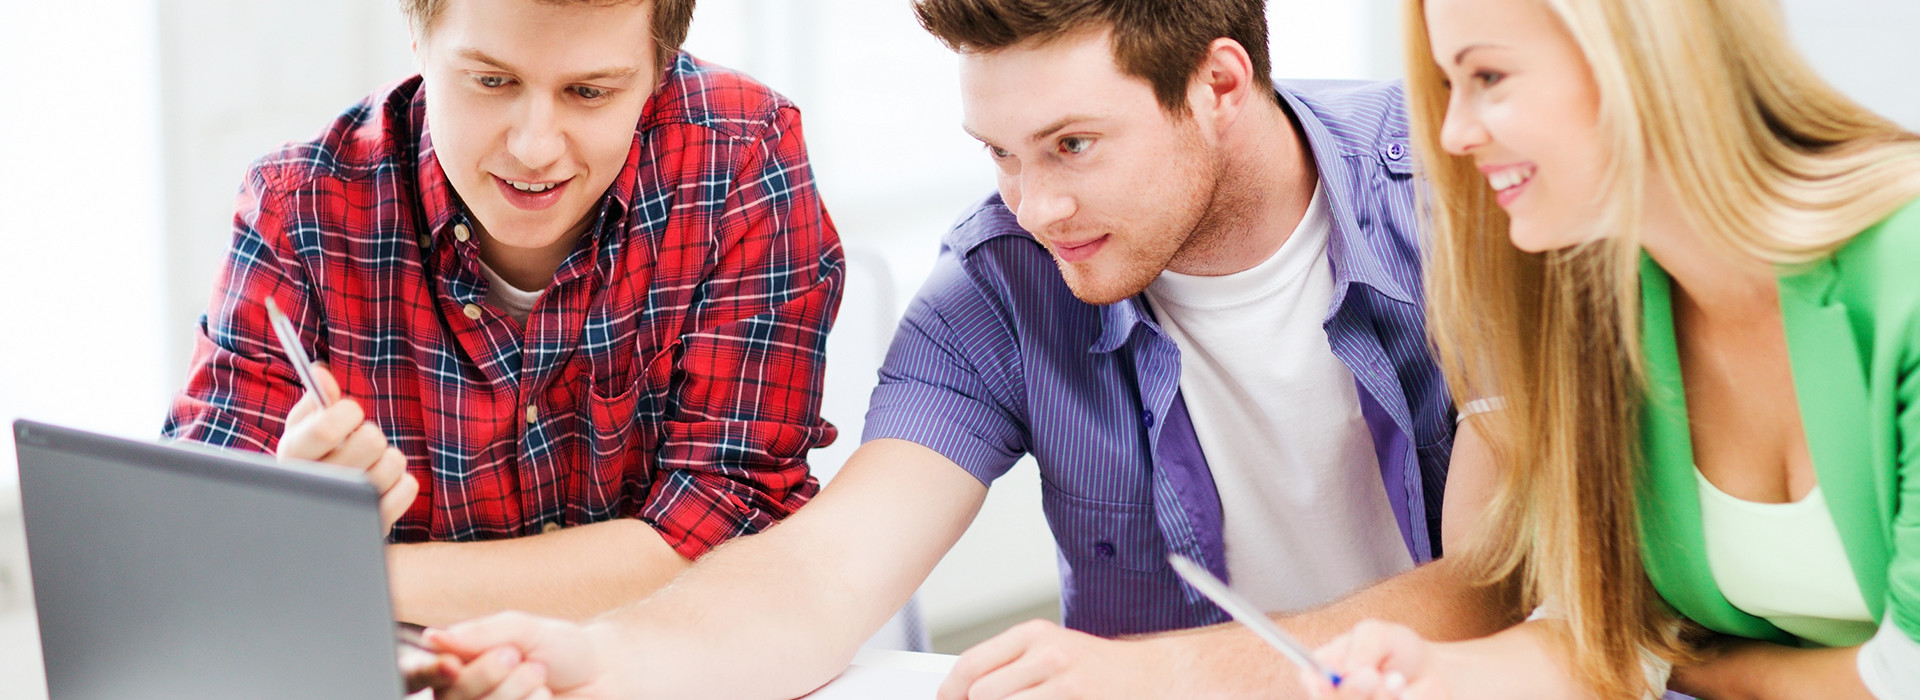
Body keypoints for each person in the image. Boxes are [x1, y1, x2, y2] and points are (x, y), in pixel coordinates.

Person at [423, 1, 1517, 698]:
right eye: (999, 151)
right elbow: (825, 567)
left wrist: (1165, 677)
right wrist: (611, 660)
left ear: (1219, 86)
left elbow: (1504, 584)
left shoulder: (1464, 198)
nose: (1035, 202)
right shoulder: (1001, 285)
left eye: (1073, 145)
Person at [1303, 0, 1920, 698]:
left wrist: (1704, 669)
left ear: (1640, 53)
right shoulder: (1600, 307)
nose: (1452, 134)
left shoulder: (1907, 269)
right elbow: (1602, 634)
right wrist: (1438, 672)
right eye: (1449, 86)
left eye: (1490, 77)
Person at [162, 0, 844, 628]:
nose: (534, 148)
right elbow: (196, 554)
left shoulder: (739, 155)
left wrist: (340, 571)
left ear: (660, 73)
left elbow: (730, 529)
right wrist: (285, 518)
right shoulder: (301, 210)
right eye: (491, 82)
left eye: (590, 92)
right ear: (418, 40)